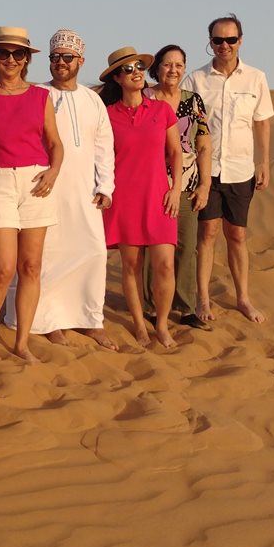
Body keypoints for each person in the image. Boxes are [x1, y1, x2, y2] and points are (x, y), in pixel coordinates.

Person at [3, 29, 117, 349]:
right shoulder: (36, 94)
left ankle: (89, 320)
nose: (60, 63)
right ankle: (47, 320)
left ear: (80, 61)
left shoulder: (92, 100)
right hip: (44, 188)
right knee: (46, 257)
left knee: (92, 253)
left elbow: (103, 147)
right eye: (55, 58)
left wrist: (105, 186)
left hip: (84, 192)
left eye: (67, 58)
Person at [0, 26, 63, 363]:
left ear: (27, 59)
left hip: (36, 181)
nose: (10, 59)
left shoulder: (40, 96)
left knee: (31, 266)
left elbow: (55, 143)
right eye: (3, 52)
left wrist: (53, 170)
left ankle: (21, 343)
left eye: (18, 53)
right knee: (3, 267)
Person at [183, 13, 274, 324]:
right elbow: (183, 123)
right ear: (210, 43)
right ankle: (203, 299)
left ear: (240, 41)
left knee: (237, 234)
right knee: (206, 233)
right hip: (206, 171)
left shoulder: (256, 78)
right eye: (218, 40)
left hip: (241, 169)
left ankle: (243, 298)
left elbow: (261, 121)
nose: (224, 45)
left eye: (230, 39)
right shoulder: (195, 79)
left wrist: (264, 162)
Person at [99, 47, 182, 349]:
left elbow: (175, 152)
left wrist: (175, 189)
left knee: (164, 266)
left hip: (160, 198)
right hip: (125, 200)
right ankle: (139, 326)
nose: (136, 71)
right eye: (128, 68)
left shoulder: (161, 110)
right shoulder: (106, 116)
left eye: (138, 66)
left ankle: (161, 324)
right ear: (117, 78)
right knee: (131, 267)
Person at [142, 44, 212, 330]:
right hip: (149, 183)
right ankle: (149, 305)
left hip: (187, 184)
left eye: (179, 65)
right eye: (167, 64)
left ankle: (184, 306)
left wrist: (206, 184)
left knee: (185, 245)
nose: (173, 70)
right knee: (151, 246)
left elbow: (204, 144)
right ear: (157, 68)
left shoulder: (193, 101)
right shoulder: (144, 98)